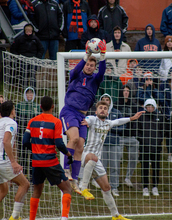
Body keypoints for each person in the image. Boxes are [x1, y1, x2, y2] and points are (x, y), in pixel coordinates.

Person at [79, 101, 144, 220]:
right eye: (100, 108)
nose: (102, 110)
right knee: (93, 157)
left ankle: (115, 215)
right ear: (96, 111)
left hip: (96, 160)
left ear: (108, 112)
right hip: (86, 155)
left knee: (107, 188)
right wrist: (85, 122)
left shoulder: (108, 123)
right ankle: (83, 187)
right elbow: (87, 119)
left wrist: (132, 118)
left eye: (105, 108)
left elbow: (118, 121)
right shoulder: (92, 119)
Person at [59, 39, 106, 194]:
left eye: (92, 65)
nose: (89, 66)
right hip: (69, 111)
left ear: (94, 68)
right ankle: (65, 169)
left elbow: (102, 71)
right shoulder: (76, 75)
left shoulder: (95, 80)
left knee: (80, 146)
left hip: (82, 117)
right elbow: (77, 68)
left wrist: (103, 55)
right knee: (73, 139)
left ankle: (74, 178)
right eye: (87, 64)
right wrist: (87, 56)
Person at [22, 96, 73, 220]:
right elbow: (60, 144)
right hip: (50, 162)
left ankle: (31, 219)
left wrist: (35, 150)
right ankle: (64, 218)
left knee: (37, 191)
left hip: (36, 162)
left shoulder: (32, 121)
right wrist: (68, 154)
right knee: (67, 189)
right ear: (53, 106)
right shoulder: (56, 122)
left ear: (40, 107)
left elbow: (24, 141)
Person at [0, 100, 30, 220]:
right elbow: (5, 141)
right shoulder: (11, 122)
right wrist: (13, 162)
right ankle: (15, 217)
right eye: (14, 109)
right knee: (25, 184)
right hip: (0, 159)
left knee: (3, 190)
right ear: (12, 111)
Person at [137, 98, 165, 196]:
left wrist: (158, 141)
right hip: (144, 147)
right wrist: (142, 140)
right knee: (144, 167)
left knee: (156, 167)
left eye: (151, 106)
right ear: (145, 107)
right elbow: (138, 131)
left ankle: (155, 187)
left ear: (154, 107)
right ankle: (145, 187)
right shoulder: (141, 117)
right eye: (148, 106)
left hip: (156, 148)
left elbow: (162, 131)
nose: (150, 108)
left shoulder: (159, 117)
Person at [99, 94, 124, 197]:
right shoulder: (98, 114)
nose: (105, 101)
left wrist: (110, 128)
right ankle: (104, 188)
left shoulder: (117, 112)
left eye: (107, 100)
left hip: (114, 144)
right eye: (103, 100)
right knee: (102, 168)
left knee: (114, 167)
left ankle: (114, 187)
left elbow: (122, 128)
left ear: (110, 101)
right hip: (102, 144)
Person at [116, 85, 140, 188]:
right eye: (124, 91)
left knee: (134, 158)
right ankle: (115, 179)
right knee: (117, 159)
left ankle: (128, 178)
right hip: (120, 136)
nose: (126, 92)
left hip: (131, 136)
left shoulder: (134, 105)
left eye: (128, 91)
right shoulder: (117, 105)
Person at [15, 87, 41, 181]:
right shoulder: (19, 106)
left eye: (31, 93)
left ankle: (33, 175)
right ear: (25, 95)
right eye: (28, 93)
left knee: (33, 154)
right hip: (22, 133)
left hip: (34, 134)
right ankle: (23, 174)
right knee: (23, 154)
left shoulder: (37, 107)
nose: (29, 95)